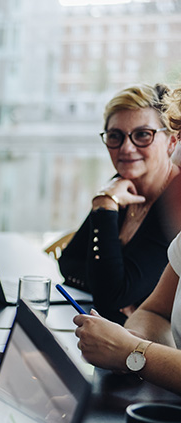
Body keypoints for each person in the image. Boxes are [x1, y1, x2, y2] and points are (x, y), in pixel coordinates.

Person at [58, 83, 181, 324]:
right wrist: (110, 286)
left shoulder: (174, 201)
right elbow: (68, 263)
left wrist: (104, 207)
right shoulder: (120, 186)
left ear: (171, 142)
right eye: (115, 136)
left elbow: (110, 296)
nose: (126, 148)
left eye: (143, 134)